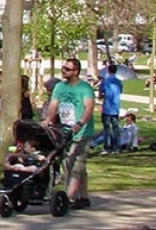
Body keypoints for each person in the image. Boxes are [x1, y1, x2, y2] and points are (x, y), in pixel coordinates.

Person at [42, 58, 97, 210]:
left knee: (74, 164)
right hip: (64, 132)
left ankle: (68, 198)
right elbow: (54, 105)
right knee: (73, 165)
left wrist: (80, 124)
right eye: (63, 68)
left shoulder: (85, 88)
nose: (63, 70)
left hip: (82, 133)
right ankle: (84, 198)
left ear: (76, 71)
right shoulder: (59, 87)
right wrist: (48, 120)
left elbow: (88, 108)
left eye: (67, 69)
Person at [99, 65, 125, 154]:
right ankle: (117, 147)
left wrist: (102, 95)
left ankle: (107, 147)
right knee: (116, 128)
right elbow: (120, 91)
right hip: (115, 108)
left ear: (108, 71)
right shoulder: (119, 82)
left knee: (107, 129)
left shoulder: (105, 81)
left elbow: (100, 95)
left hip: (107, 108)